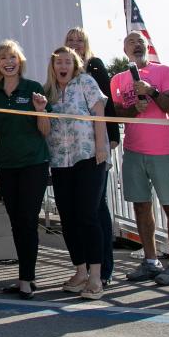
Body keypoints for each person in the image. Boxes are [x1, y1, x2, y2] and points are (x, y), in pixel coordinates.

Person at [110, 31, 169, 286]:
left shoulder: (165, 71)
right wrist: (134, 107)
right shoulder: (118, 79)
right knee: (141, 206)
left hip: (162, 150)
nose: (136, 45)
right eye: (131, 42)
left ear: (147, 47)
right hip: (133, 150)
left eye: (140, 42)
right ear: (124, 50)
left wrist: (151, 91)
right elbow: (119, 113)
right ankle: (151, 261)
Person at [40, 46, 108, 300]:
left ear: (75, 64)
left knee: (88, 216)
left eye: (67, 61)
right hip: (60, 161)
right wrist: (40, 110)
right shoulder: (49, 92)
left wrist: (101, 147)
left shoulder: (86, 82)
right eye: (58, 62)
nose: (62, 66)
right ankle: (79, 271)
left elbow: (99, 115)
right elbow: (45, 128)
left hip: (88, 156)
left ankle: (96, 277)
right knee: (68, 217)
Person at [0, 39, 50, 299]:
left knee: (28, 221)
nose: (8, 62)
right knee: (16, 222)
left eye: (12, 57)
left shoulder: (33, 89)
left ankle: (26, 279)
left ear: (19, 61)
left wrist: (41, 111)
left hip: (34, 163)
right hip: (7, 166)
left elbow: (45, 131)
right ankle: (26, 275)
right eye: (3, 58)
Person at [64, 26, 118, 287]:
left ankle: (104, 269)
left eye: (79, 40)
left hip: (96, 150)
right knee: (86, 209)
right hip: (71, 154)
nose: (75, 44)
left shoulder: (93, 66)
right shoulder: (63, 72)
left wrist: (109, 140)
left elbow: (107, 106)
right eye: (70, 41)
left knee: (97, 208)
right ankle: (84, 268)